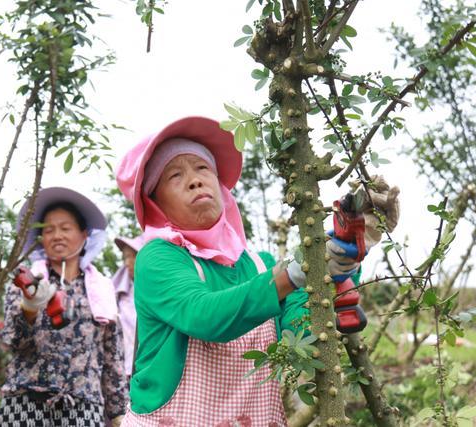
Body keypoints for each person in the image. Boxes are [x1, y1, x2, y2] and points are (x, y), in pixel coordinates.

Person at [115, 116, 399, 425]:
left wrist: (351, 249)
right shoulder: (158, 257)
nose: (195, 180)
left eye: (202, 168)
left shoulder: (260, 264)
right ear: (155, 202)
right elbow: (203, 315)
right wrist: (292, 273)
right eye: (174, 176)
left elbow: (301, 331)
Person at [0, 187, 127, 427]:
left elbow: (112, 356)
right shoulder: (27, 283)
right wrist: (29, 308)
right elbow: (13, 343)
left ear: (84, 234)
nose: (57, 235)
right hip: (26, 405)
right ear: (40, 238)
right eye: (49, 230)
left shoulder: (101, 289)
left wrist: (118, 412)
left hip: (84, 407)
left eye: (65, 228)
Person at [112, 235, 144, 381]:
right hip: (121, 370)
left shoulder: (156, 293)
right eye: (125, 257)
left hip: (145, 370)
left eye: (133, 256)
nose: (127, 263)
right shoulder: (118, 294)